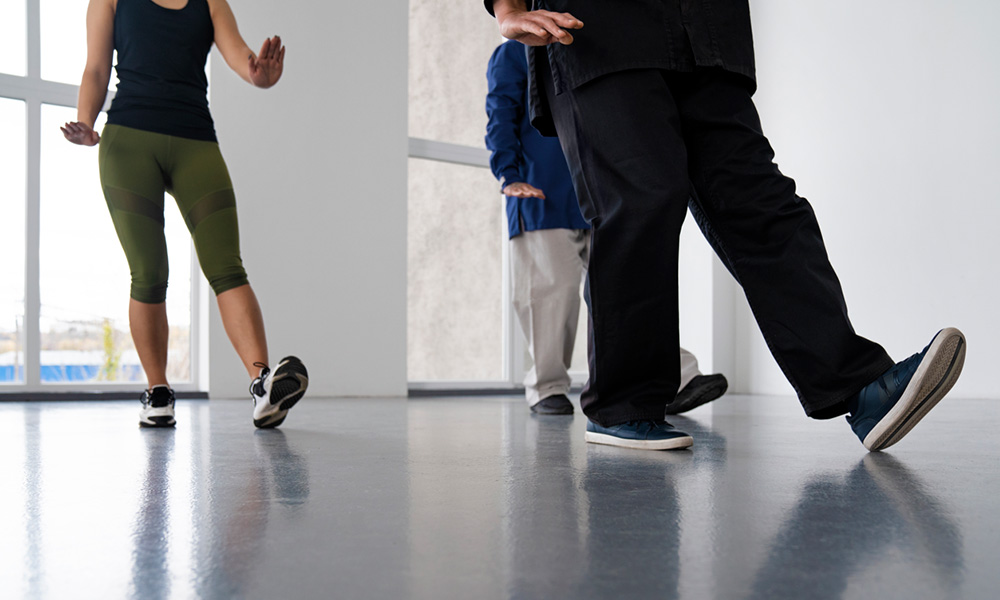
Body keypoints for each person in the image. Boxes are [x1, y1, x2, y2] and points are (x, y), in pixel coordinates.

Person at [483, 0, 966, 451]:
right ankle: (622, 405)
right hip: (598, 30)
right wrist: (507, 7)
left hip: (707, 33)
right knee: (641, 199)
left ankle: (858, 387)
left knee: (763, 202)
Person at [62, 0, 308, 429]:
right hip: (128, 143)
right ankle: (158, 392)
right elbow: (96, 69)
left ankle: (262, 387)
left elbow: (241, 56)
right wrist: (86, 122)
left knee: (226, 266)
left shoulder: (210, 2)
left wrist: (259, 76)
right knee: (149, 271)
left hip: (196, 141)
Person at [485, 38, 728, 416]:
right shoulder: (515, 52)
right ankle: (546, 387)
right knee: (552, 293)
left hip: (601, 191)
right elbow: (501, 112)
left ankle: (676, 377)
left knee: (629, 290)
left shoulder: (593, 47)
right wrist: (508, 173)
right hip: (542, 193)